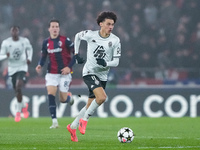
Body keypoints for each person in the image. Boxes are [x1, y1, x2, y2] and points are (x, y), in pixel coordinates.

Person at [67, 11, 121, 142]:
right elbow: (78, 36)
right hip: (89, 72)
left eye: (112, 25)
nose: (111, 27)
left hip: (102, 76)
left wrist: (106, 63)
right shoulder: (91, 35)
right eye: (108, 24)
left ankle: (72, 126)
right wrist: (76, 54)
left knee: (90, 104)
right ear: (101, 24)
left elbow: (116, 61)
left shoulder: (115, 40)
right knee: (102, 97)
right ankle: (84, 121)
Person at [35, 19, 75, 129]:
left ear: (59, 28)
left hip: (64, 74)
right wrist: (40, 65)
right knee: (51, 94)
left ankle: (68, 98)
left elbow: (76, 54)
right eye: (52, 26)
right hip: (51, 73)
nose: (55, 28)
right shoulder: (46, 42)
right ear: (49, 29)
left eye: (57, 26)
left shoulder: (65, 40)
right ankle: (54, 121)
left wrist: (69, 67)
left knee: (62, 99)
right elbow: (43, 57)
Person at [0, 26, 33, 122]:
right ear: (11, 32)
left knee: (19, 86)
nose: (14, 32)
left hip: (22, 67)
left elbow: (30, 49)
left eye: (16, 30)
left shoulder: (24, 41)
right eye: (12, 30)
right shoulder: (6, 43)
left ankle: (18, 112)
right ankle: (23, 105)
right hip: (12, 68)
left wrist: (29, 58)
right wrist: (5, 55)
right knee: (16, 90)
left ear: (18, 31)